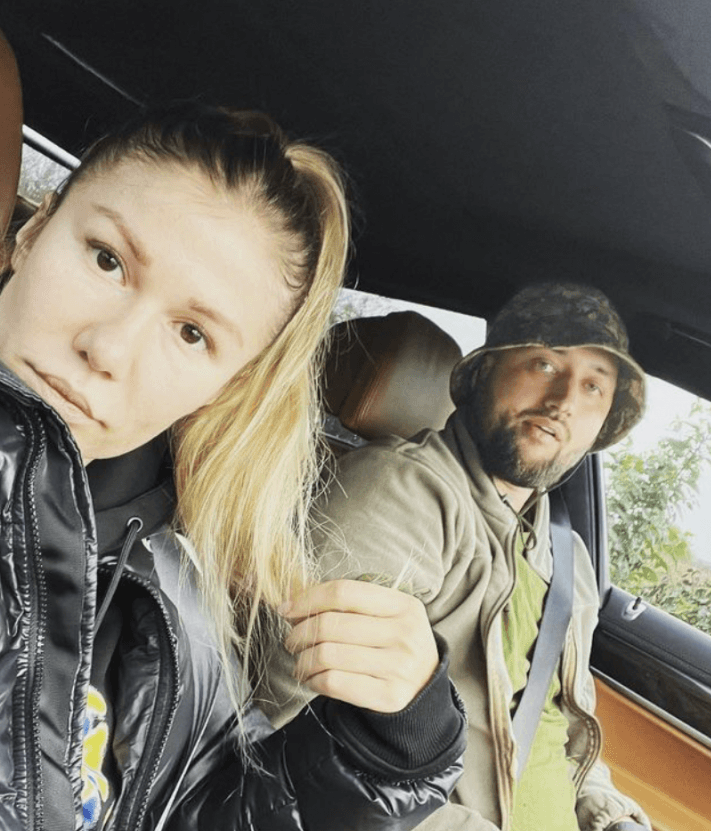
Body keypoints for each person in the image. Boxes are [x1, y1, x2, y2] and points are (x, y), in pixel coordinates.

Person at [0, 103, 465, 831]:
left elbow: (197, 812)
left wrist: (394, 743)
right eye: (107, 260)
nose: (107, 348)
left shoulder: (173, 595)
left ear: (223, 388)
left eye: (192, 333)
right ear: (36, 231)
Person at [261, 282, 653, 831]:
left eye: (594, 386)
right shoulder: (401, 493)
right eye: (543, 364)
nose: (564, 401)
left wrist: (605, 813)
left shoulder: (566, 554)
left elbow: (557, 721)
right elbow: (285, 732)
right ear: (484, 372)